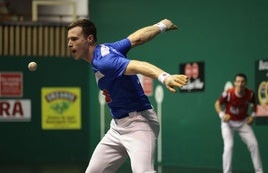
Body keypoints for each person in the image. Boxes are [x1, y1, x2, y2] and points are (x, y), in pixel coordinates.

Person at [67, 18, 188, 173]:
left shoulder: (105, 61)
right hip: (117, 127)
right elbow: (136, 39)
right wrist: (162, 26)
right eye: (69, 39)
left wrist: (165, 77)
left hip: (139, 123)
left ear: (89, 39)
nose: (70, 43)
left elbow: (138, 65)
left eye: (74, 39)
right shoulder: (107, 49)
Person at [214, 73, 263, 173]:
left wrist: (252, 116)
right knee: (229, 146)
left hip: (242, 123)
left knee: (254, 144)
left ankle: (259, 171)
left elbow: (254, 105)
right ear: (234, 83)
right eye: (238, 81)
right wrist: (222, 115)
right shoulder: (228, 93)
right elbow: (217, 104)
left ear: (246, 83)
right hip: (228, 124)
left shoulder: (250, 94)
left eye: (242, 82)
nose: (240, 84)